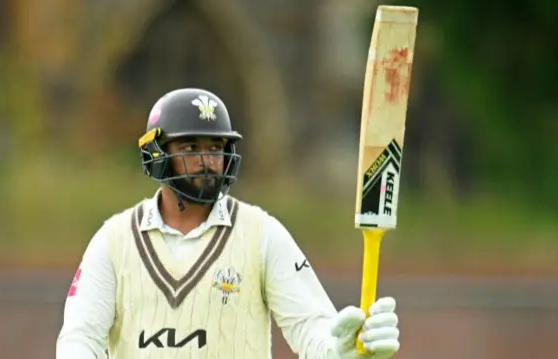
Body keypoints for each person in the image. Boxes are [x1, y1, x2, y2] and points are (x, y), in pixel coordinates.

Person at [56, 88, 401, 359]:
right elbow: (80, 338)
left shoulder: (260, 234)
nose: (207, 161)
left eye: (215, 147)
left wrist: (342, 349)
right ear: (157, 154)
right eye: (191, 146)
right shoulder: (114, 241)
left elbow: (312, 328)